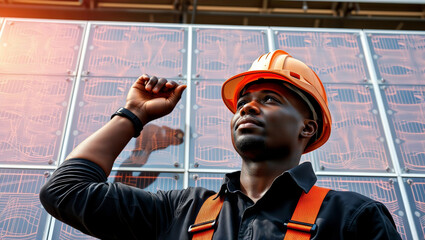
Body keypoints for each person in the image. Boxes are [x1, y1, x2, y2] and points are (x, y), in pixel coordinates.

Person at [40, 50, 402, 239]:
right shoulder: (180, 212)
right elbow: (66, 191)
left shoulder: (352, 217)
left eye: (271, 99)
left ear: (306, 128)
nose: (248, 105)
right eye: (243, 100)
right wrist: (133, 114)